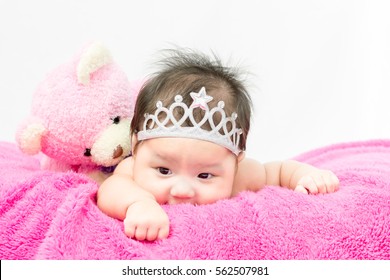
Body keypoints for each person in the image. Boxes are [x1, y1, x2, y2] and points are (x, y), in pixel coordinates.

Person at [97, 49, 340, 241]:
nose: (182, 190)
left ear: (235, 163)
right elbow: (109, 190)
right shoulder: (132, 170)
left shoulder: (241, 176)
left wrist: (306, 175)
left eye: (204, 175)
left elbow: (277, 171)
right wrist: (138, 204)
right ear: (137, 147)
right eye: (163, 171)